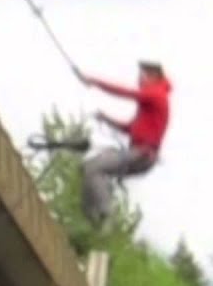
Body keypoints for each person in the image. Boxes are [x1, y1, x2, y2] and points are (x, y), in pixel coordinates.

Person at [74, 60, 172, 227]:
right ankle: (92, 221)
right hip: (139, 155)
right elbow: (130, 128)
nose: (139, 81)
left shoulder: (156, 94)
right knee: (87, 168)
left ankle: (106, 215)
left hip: (142, 154)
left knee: (95, 168)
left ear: (153, 76)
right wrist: (106, 119)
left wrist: (94, 82)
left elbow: (124, 92)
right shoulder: (150, 103)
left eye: (142, 76)